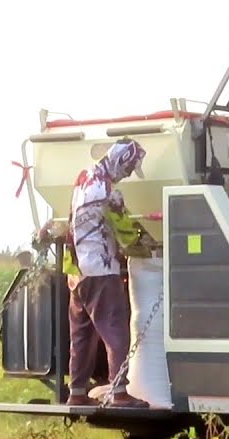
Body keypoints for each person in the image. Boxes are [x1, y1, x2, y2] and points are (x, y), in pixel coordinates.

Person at [63, 138, 151, 408]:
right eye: (128, 168)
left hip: (77, 271)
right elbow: (124, 232)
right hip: (101, 269)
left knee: (82, 335)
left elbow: (71, 222)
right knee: (115, 330)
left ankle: (76, 392)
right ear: (122, 161)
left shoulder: (83, 181)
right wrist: (142, 244)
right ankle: (119, 392)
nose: (126, 174)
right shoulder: (108, 192)